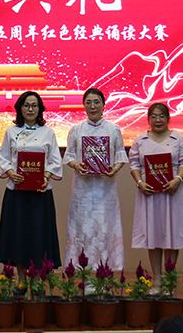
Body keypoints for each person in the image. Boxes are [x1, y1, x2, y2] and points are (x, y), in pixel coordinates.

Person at [0, 91, 63, 273]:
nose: (30, 109)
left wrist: (45, 177)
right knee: (18, 235)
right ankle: (21, 279)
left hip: (40, 194)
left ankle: (38, 280)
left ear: (40, 109)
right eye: (26, 105)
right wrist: (11, 172)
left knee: (39, 235)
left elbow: (55, 160)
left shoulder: (48, 132)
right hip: (16, 193)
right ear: (20, 108)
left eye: (34, 105)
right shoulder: (11, 131)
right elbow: (4, 156)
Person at [63, 88, 127, 269]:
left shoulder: (114, 130)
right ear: (84, 105)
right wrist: (77, 166)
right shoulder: (76, 130)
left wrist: (114, 169)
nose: (93, 106)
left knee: (105, 226)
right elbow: (69, 156)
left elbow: (120, 155)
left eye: (96, 102)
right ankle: (81, 270)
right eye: (88, 102)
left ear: (103, 105)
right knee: (82, 226)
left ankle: (106, 270)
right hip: (82, 190)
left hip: (105, 190)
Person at [129, 102, 183, 286]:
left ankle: (170, 282)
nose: (158, 120)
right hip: (149, 195)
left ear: (168, 118)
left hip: (172, 193)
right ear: (148, 119)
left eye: (162, 116)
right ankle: (157, 280)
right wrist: (140, 183)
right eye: (154, 116)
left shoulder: (177, 139)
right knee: (153, 236)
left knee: (172, 235)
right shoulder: (141, 140)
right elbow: (134, 164)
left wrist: (177, 180)